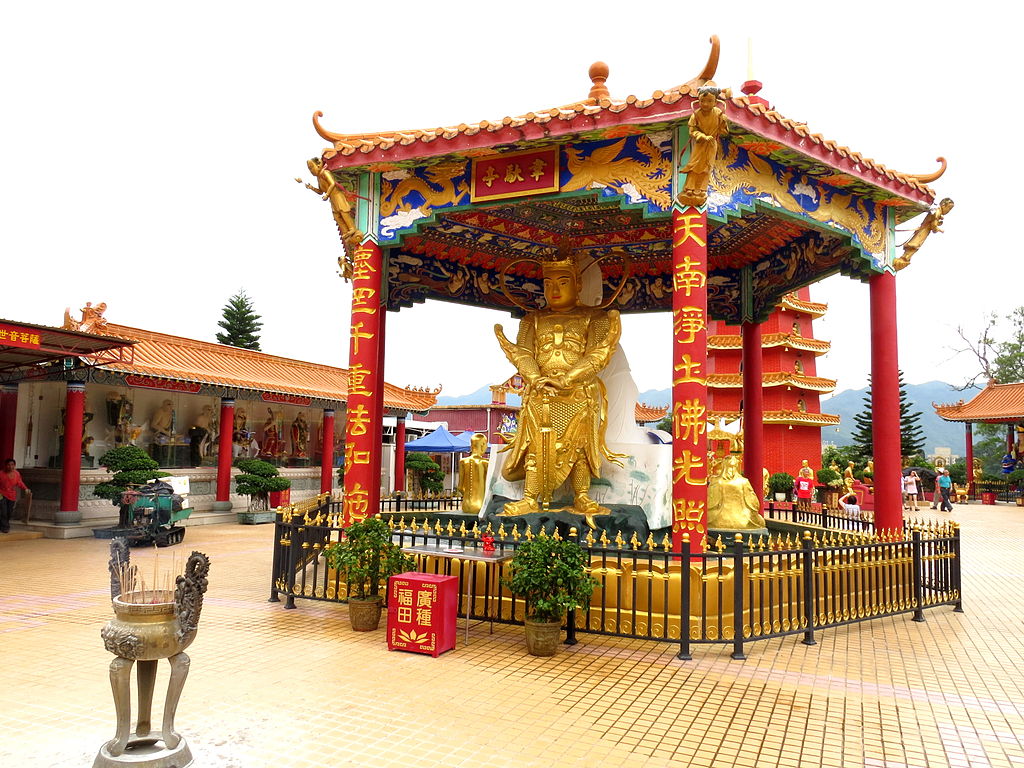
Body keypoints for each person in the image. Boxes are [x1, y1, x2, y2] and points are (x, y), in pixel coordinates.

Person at [493, 247, 622, 526]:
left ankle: (582, 495)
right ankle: (530, 495)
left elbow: (599, 353)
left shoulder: (594, 317)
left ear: (578, 285)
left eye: (562, 282)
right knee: (535, 446)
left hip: (578, 392)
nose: (554, 289)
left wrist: (569, 377)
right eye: (548, 283)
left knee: (579, 448)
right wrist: (535, 377)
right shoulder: (532, 319)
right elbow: (522, 353)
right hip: (540, 393)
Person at [0, 459, 31, 534]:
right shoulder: (1, 473)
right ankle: (5, 527)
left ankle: (3, 524)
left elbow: (20, 482)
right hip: (1, 494)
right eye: (8, 465)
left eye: (12, 465)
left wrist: (25, 488)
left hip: (12, 495)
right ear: (5, 465)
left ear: (14, 465)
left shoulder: (17, 474)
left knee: (9, 512)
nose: (10, 466)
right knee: (3, 511)